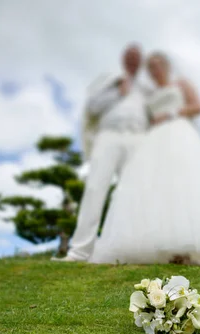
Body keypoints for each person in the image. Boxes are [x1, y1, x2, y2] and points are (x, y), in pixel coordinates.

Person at [89, 52, 200, 267]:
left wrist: (172, 114)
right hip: (154, 139)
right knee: (157, 187)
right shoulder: (149, 95)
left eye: (158, 65)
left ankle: (189, 247)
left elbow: (197, 106)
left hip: (179, 132)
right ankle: (162, 247)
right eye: (151, 67)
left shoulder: (181, 83)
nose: (155, 69)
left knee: (185, 182)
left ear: (167, 66)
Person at [55, 44, 149, 262]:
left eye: (137, 57)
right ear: (124, 59)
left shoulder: (146, 89)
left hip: (137, 139)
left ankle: (132, 249)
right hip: (109, 136)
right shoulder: (110, 82)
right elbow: (93, 108)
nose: (133, 60)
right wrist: (118, 92)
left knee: (134, 193)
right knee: (95, 188)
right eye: (130, 57)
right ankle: (79, 251)